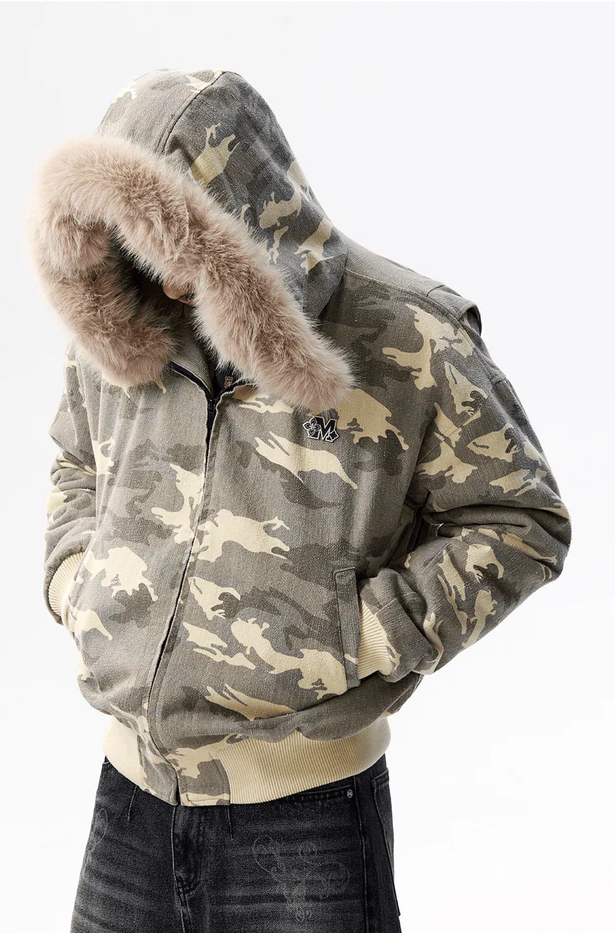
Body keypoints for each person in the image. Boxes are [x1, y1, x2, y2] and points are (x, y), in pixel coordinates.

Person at [28, 68, 572, 933]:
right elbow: (76, 460)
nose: (162, 279)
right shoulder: (120, 316)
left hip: (306, 824)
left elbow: (521, 520)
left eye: (179, 248)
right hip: (128, 806)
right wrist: (77, 583)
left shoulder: (406, 332)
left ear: (241, 216)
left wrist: (360, 634)